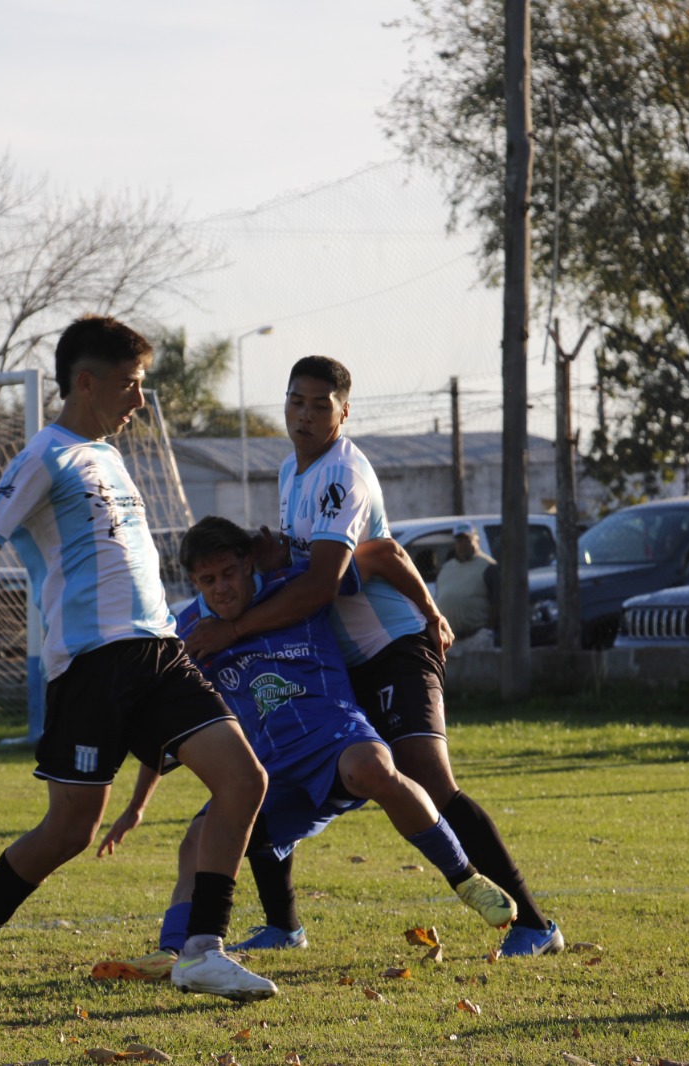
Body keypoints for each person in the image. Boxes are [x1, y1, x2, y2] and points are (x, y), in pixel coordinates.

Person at [0, 315, 275, 1009]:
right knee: (71, 830)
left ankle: (202, 950)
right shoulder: (45, 455)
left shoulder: (111, 458)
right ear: (86, 383)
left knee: (244, 778)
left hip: (159, 651)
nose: (139, 400)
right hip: (92, 665)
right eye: (130, 385)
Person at [185, 355, 564, 958]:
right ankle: (283, 926)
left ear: (343, 413)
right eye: (296, 401)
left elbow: (323, 584)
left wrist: (233, 630)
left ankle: (534, 925)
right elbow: (353, 558)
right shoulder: (290, 471)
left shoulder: (343, 476)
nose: (305, 415)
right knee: (269, 769)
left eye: (320, 405)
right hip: (342, 659)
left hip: (393, 647)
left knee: (429, 779)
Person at [90, 517, 516, 982]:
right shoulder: (189, 632)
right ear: (194, 582)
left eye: (229, 573)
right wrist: (137, 806)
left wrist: (431, 614)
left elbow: (383, 555)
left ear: (247, 564)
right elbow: (172, 725)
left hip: (335, 740)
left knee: (372, 767)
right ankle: (172, 952)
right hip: (269, 773)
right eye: (207, 580)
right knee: (197, 838)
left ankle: (466, 878)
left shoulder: (296, 587)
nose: (221, 589)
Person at [435, 522, 496, 652]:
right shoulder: (446, 568)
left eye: (467, 540)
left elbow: (499, 603)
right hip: (450, 640)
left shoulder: (488, 567)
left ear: (477, 541)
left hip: (477, 638)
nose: (462, 545)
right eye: (459, 540)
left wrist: (489, 629)